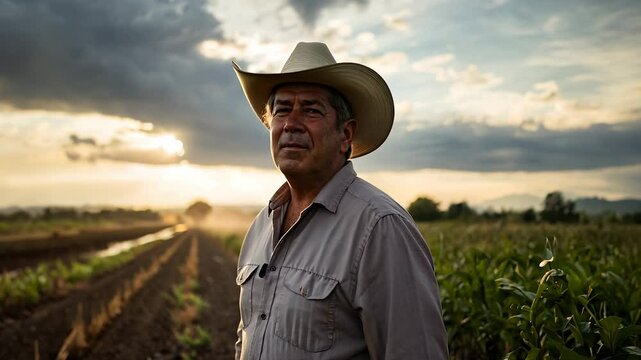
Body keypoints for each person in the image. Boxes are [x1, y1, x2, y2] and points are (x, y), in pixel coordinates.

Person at [232, 42, 448, 360]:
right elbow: (247, 337)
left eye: (311, 110)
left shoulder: (380, 227)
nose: (291, 123)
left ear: (345, 134)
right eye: (281, 110)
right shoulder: (261, 226)